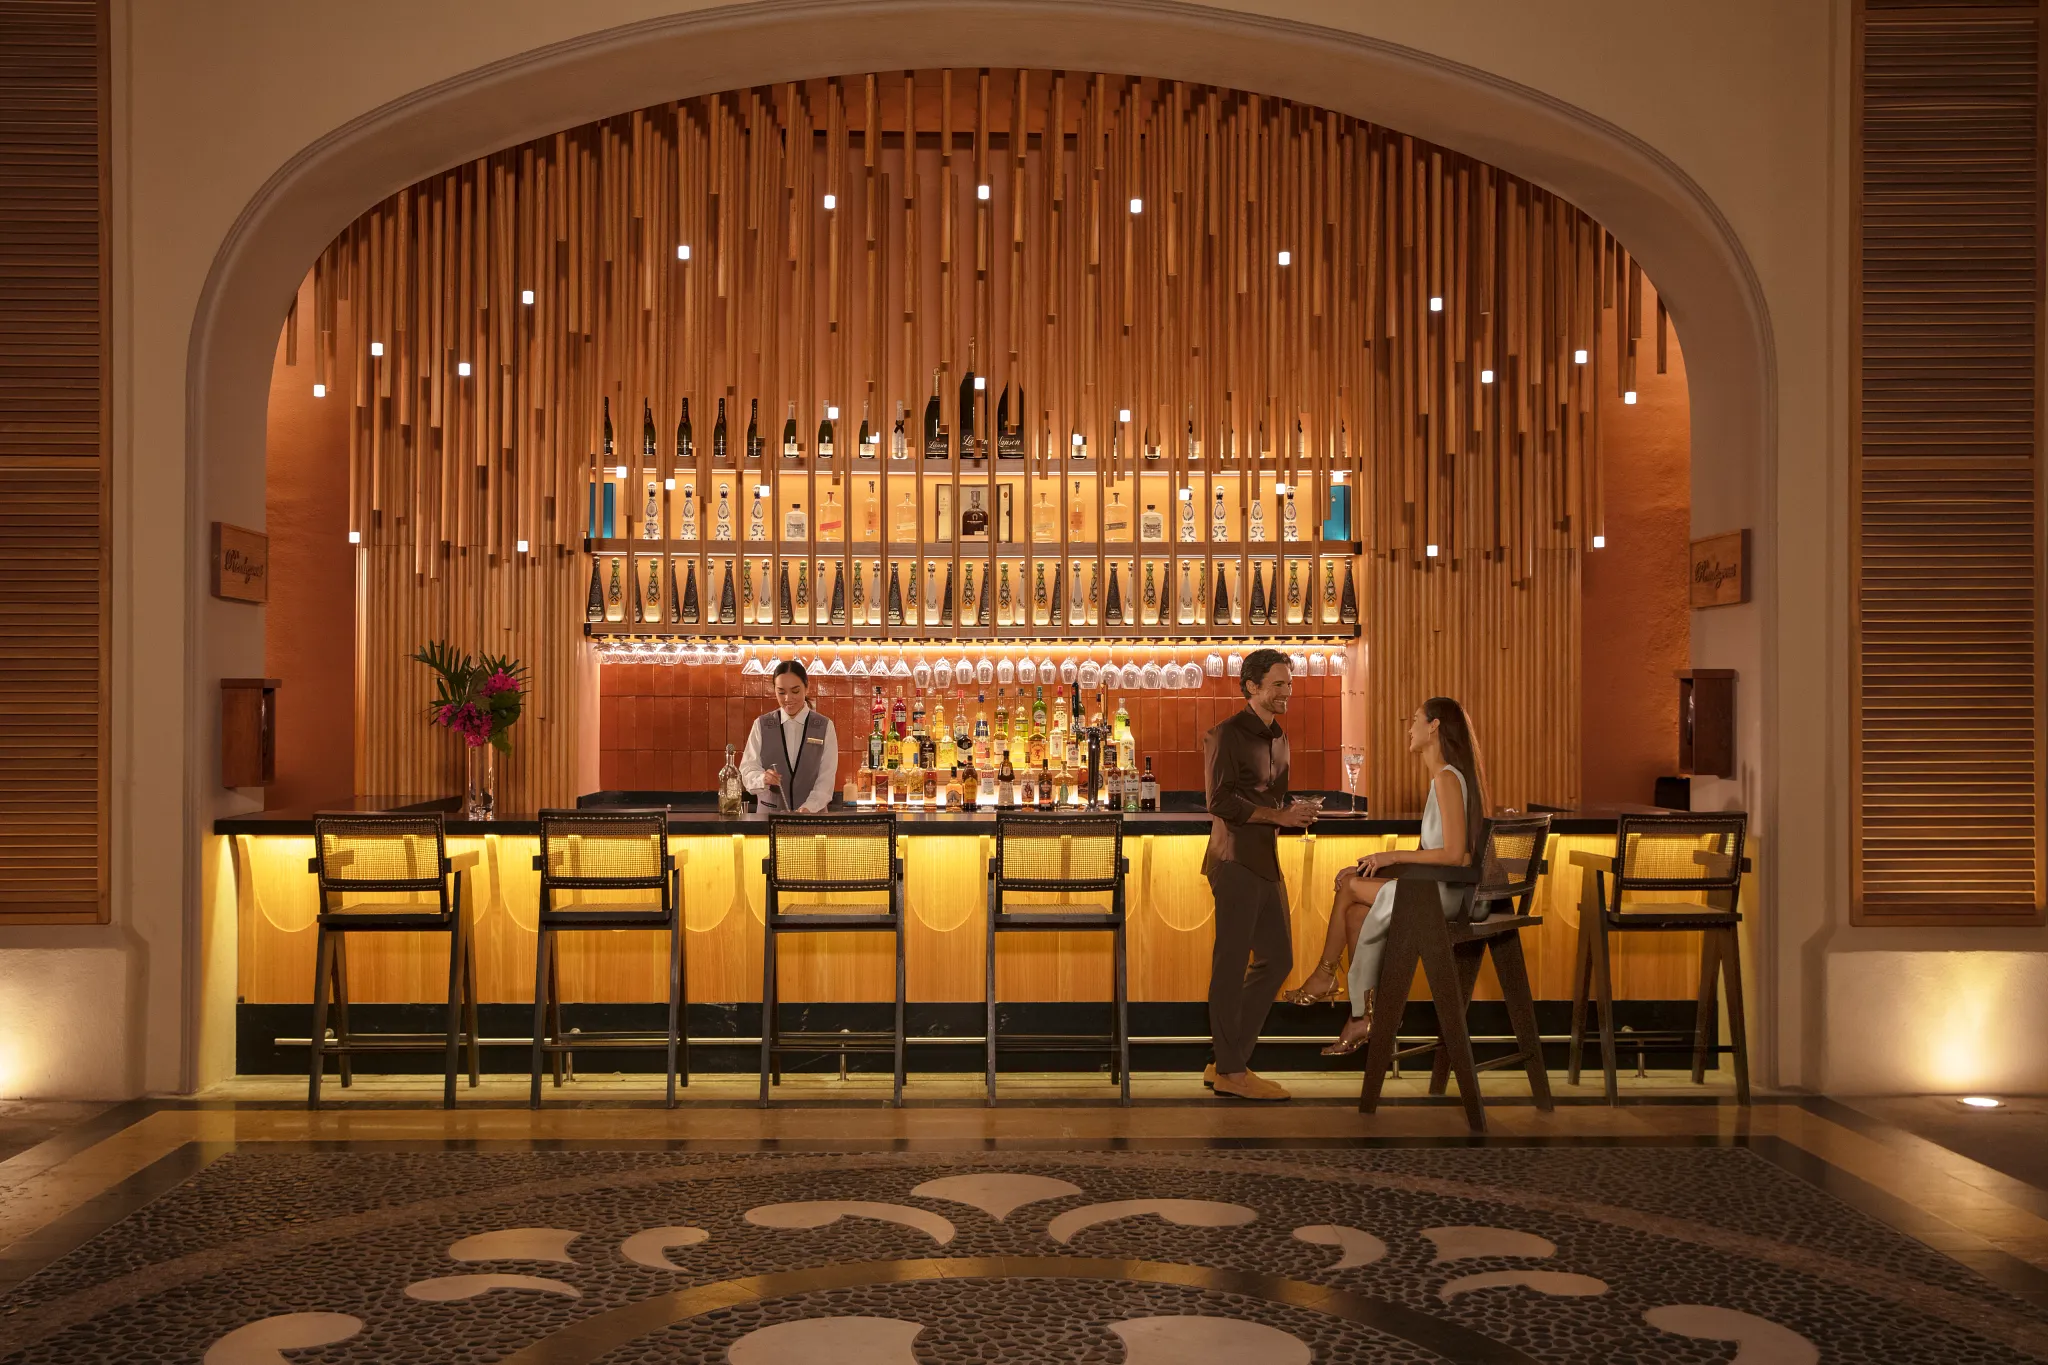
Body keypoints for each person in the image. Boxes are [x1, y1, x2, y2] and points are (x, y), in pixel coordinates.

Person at [1286, 697, 1487, 1055]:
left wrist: (1388, 856)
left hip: (1446, 896)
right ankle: (1362, 1016)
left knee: (1349, 886)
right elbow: (1435, 855)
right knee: (1355, 912)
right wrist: (1376, 866)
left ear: (1434, 726)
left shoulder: (1446, 778)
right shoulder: (1445, 778)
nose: (1410, 729)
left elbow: (1455, 855)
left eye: (1416, 719)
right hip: (1435, 888)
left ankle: (1326, 977)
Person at [1201, 647, 1319, 1101]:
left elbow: (1270, 799)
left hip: (1265, 859)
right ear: (1252, 686)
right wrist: (1278, 817)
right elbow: (1219, 802)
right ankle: (1232, 1072)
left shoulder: (1280, 737)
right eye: (1278, 684)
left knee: (1277, 960)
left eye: (1289, 684)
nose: (1287, 691)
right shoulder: (1224, 734)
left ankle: (1226, 1061)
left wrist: (1294, 812)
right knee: (1230, 967)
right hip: (1234, 860)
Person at [738, 660, 839, 812]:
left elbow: (826, 778)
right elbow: (747, 770)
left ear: (807, 687)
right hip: (768, 818)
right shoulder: (761, 725)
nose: (788, 698)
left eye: (795, 691)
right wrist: (762, 778)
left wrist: (809, 807)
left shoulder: (825, 726)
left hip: (812, 818)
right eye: (781, 692)